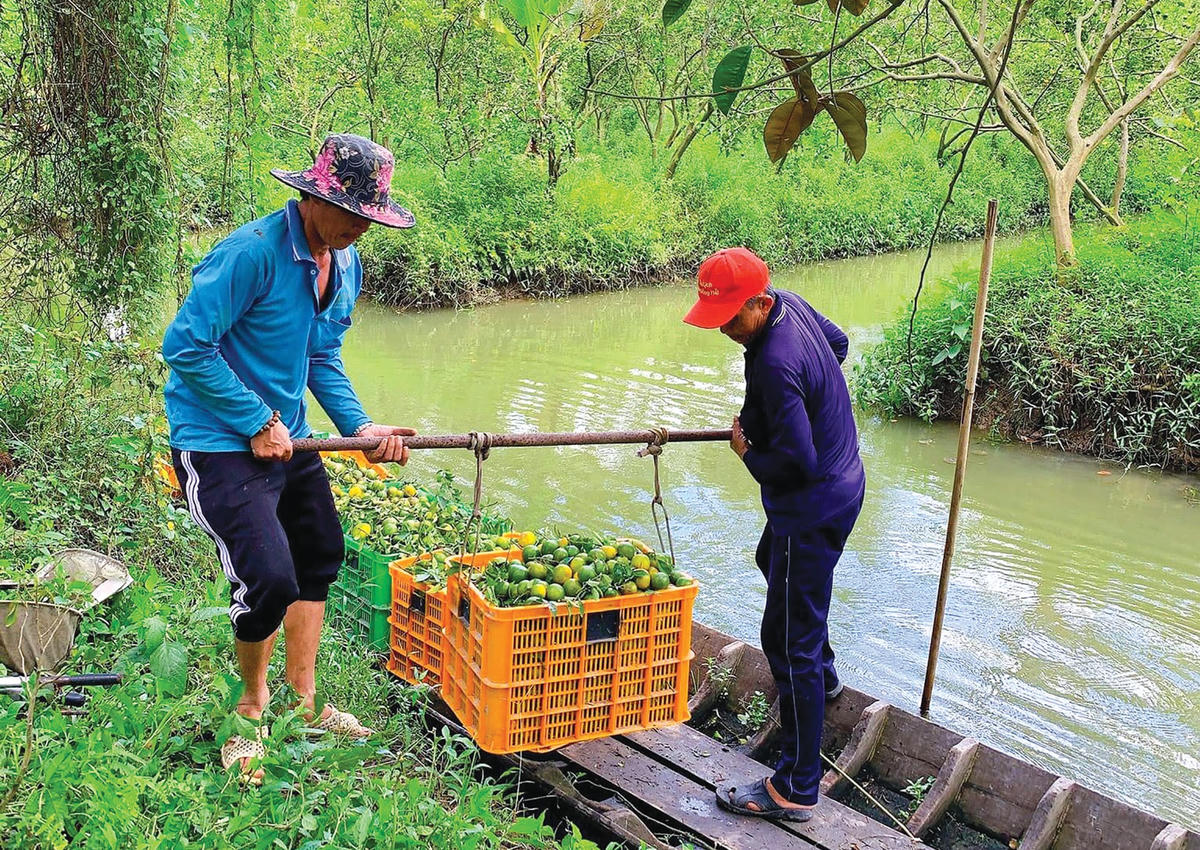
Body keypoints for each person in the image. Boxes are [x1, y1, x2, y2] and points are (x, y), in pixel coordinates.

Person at [162, 133, 418, 785]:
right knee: (270, 578)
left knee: (320, 554)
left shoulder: (345, 262)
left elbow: (320, 358)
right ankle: (250, 709)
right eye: (353, 213)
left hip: (289, 436)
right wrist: (253, 419)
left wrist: (360, 427)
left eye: (371, 217)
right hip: (217, 440)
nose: (362, 227)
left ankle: (303, 703)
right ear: (311, 199)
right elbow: (186, 348)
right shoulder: (251, 254)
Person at [684, 247, 865, 822]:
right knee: (774, 565)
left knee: (786, 641)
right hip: (847, 481)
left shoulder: (772, 363)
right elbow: (837, 346)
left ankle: (794, 789)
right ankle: (827, 678)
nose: (727, 331)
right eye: (719, 318)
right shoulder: (793, 306)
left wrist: (748, 452)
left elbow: (796, 464)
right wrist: (815, 406)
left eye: (735, 318)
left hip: (810, 505)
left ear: (761, 303)